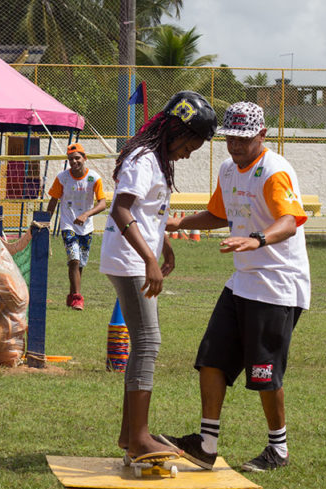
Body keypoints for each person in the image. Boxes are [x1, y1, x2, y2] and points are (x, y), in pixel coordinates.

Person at [163, 101, 310, 473]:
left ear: (262, 135)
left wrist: (257, 240)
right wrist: (179, 223)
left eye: (244, 138)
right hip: (243, 282)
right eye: (230, 137)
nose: (236, 145)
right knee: (210, 359)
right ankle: (206, 445)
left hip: (277, 284)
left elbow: (290, 220)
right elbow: (219, 214)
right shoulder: (229, 170)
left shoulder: (274, 171)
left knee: (263, 373)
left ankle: (278, 449)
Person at [100, 91, 217, 462]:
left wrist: (163, 244)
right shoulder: (143, 159)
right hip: (129, 261)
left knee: (143, 343)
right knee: (149, 343)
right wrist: (149, 258)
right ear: (174, 130)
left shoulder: (157, 160)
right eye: (189, 145)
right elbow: (121, 210)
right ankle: (138, 438)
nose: (188, 153)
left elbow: (149, 214)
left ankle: (129, 435)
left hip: (137, 258)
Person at [45, 142, 107, 310]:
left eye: (77, 158)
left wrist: (86, 214)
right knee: (74, 259)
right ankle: (78, 298)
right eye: (71, 159)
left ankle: (72, 296)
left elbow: (103, 203)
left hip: (86, 227)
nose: (74, 162)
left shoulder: (94, 178)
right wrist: (46, 220)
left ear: (84, 158)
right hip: (68, 224)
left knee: (80, 264)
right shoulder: (62, 178)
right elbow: (53, 200)